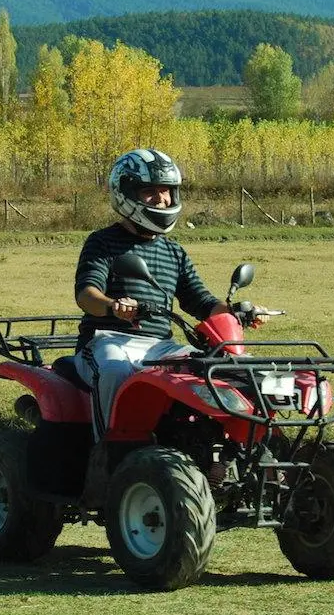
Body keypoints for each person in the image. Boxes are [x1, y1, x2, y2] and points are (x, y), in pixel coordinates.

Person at [72, 148, 256, 440]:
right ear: (126, 193)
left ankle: (225, 448)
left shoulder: (173, 251)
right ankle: (109, 453)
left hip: (160, 347)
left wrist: (236, 313)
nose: (161, 199)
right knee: (114, 373)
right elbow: (86, 294)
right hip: (106, 342)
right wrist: (113, 306)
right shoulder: (102, 242)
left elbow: (200, 301)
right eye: (150, 191)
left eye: (167, 191)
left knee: (214, 368)